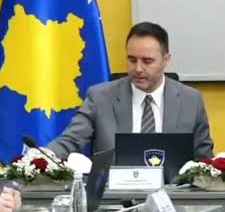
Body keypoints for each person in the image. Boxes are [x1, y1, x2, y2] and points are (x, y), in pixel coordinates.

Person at [48, 22, 214, 159]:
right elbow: (70, 140)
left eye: (147, 61)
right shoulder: (100, 98)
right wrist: (42, 159)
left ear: (166, 60)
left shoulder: (191, 100)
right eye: (132, 60)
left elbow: (204, 158)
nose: (138, 69)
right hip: (114, 189)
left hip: (173, 188)